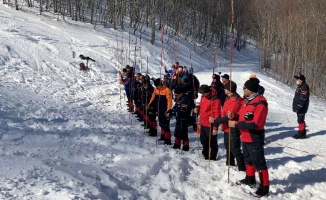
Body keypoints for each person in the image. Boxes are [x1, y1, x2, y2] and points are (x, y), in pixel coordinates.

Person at [228, 78, 270, 198]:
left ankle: (264, 187)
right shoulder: (247, 101)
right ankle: (250, 179)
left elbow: (255, 124)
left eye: (245, 88)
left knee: (259, 163)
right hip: (245, 136)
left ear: (250, 90)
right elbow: (243, 117)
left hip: (254, 137)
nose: (243, 90)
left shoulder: (260, 103)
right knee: (248, 160)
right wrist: (234, 116)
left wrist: (236, 124)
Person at [209, 80, 245, 171]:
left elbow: (228, 117)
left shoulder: (234, 101)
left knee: (235, 148)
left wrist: (216, 121)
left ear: (229, 89)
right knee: (228, 146)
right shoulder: (228, 98)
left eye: (225, 88)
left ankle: (242, 168)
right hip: (226, 128)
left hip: (232, 128)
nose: (224, 90)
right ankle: (230, 163)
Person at [194, 84, 221, 160]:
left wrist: (215, 127)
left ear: (208, 92)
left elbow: (217, 113)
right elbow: (201, 106)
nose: (202, 95)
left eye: (204, 93)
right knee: (203, 140)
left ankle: (212, 156)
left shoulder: (215, 99)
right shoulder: (203, 96)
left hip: (210, 123)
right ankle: (205, 154)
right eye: (202, 94)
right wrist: (197, 109)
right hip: (203, 122)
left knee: (212, 142)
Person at [166, 87, 195, 151]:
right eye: (175, 95)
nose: (176, 96)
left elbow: (182, 111)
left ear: (181, 93)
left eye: (177, 95)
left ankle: (186, 146)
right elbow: (176, 107)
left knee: (183, 133)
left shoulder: (185, 100)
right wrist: (171, 111)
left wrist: (173, 113)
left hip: (184, 118)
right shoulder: (180, 99)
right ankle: (177, 144)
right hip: (179, 118)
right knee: (177, 131)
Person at [147, 78, 173, 144]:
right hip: (158, 109)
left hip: (165, 110)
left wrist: (168, 110)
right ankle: (163, 136)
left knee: (165, 124)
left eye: (158, 86)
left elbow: (169, 101)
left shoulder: (167, 90)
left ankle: (167, 139)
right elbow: (152, 98)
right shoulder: (156, 90)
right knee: (161, 123)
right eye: (156, 86)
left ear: (161, 84)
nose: (157, 87)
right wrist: (149, 104)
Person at [292, 74, 310, 139]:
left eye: (298, 79)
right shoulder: (300, 86)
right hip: (298, 107)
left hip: (301, 108)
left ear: (301, 80)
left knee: (300, 120)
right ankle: (303, 132)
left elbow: (303, 99)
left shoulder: (304, 87)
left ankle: (301, 134)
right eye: (297, 79)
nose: (297, 81)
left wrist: (299, 107)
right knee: (300, 120)